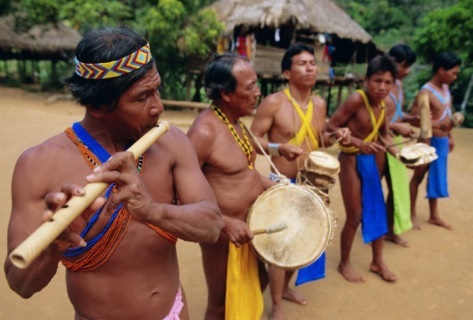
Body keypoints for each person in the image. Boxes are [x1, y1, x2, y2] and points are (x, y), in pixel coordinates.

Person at [4, 27, 223, 320]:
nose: (158, 106)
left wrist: (153, 210)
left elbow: (212, 225)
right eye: (142, 97)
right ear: (97, 104)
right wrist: (51, 248)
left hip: (173, 313)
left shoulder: (173, 143)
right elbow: (20, 284)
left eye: (157, 89)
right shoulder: (38, 164)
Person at [250, 43, 350, 320]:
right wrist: (277, 147)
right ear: (286, 72)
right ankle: (277, 306)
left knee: (303, 242)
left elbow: (319, 140)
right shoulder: (274, 103)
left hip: (312, 184)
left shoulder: (319, 103)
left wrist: (335, 135)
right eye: (302, 63)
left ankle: (285, 290)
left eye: (312, 63)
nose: (310, 67)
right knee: (281, 245)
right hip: (281, 182)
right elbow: (251, 140)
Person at [186, 53, 271, 319]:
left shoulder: (235, 123)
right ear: (226, 94)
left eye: (256, 84)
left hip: (248, 227)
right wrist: (223, 222)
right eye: (249, 87)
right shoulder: (205, 132)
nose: (257, 92)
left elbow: (246, 174)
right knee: (221, 301)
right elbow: (177, 192)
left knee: (260, 280)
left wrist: (282, 190)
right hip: (222, 234)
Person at [326, 55, 401, 283]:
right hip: (350, 159)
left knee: (376, 209)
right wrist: (358, 143)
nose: (382, 87)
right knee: (355, 215)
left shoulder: (387, 104)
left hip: (372, 161)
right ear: (367, 80)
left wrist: (396, 151)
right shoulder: (355, 101)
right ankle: (344, 263)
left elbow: (383, 133)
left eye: (388, 83)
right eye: (377, 81)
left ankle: (377, 261)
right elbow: (331, 127)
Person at [409, 52, 462, 230]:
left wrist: (450, 135)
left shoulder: (446, 89)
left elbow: (447, 113)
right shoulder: (426, 92)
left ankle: (434, 215)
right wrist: (437, 125)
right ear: (441, 70)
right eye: (453, 73)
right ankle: (412, 213)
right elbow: (415, 117)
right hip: (427, 139)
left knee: (437, 176)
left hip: (442, 139)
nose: (455, 77)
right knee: (419, 175)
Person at [383, 44, 418, 247]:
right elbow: (370, 119)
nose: (407, 71)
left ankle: (390, 230)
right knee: (373, 189)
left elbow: (396, 113)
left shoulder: (400, 85)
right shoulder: (381, 84)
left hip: (395, 141)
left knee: (397, 189)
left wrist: (410, 119)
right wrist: (396, 125)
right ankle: (374, 229)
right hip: (378, 141)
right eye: (404, 66)